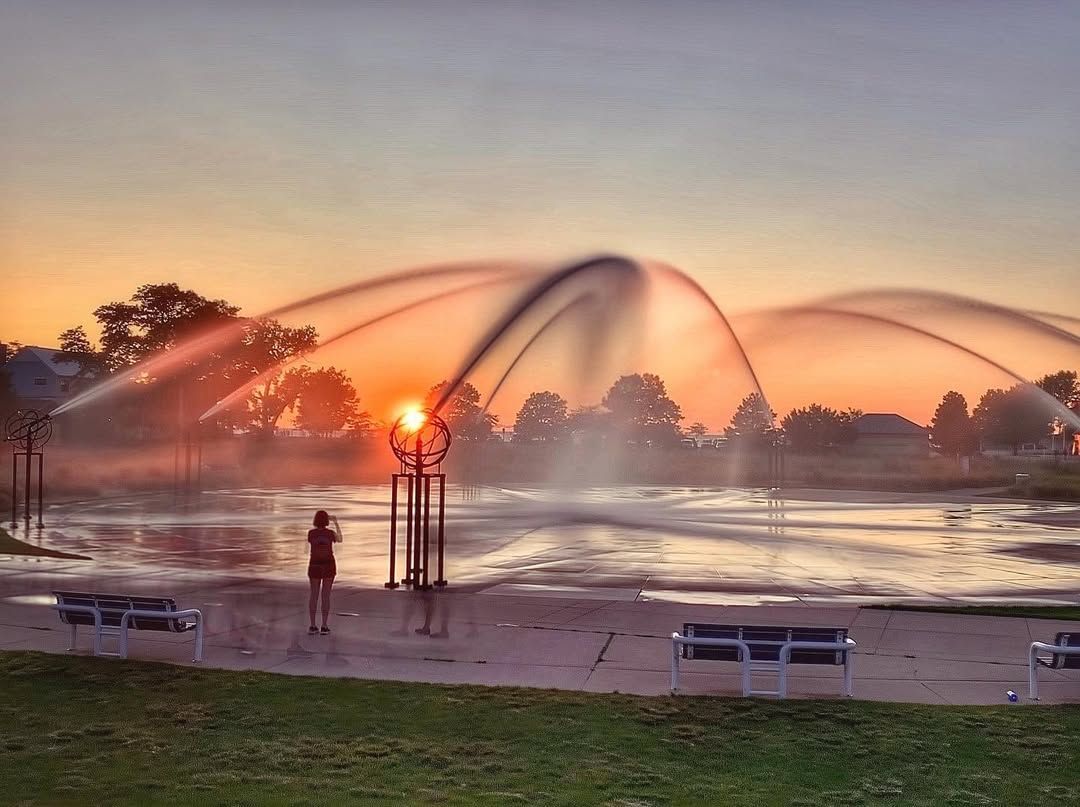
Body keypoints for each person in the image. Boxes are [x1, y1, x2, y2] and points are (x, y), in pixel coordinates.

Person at [306, 510, 341, 634]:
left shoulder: (311, 533)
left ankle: (312, 625)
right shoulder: (330, 533)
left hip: (314, 565)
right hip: (328, 565)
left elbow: (311, 543)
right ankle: (324, 625)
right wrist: (336, 523)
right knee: (325, 596)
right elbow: (340, 539)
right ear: (327, 520)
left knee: (314, 595)